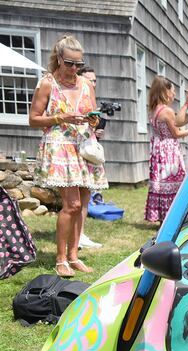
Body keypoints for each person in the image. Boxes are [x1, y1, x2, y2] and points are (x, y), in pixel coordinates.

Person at [29, 35, 106, 278]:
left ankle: (74, 256)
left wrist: (95, 121)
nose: (74, 69)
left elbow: (93, 114)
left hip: (83, 146)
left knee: (82, 204)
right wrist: (60, 118)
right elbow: (33, 119)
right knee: (70, 205)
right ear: (59, 59)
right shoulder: (47, 83)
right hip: (60, 145)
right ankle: (60, 258)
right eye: (69, 63)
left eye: (78, 64)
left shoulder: (86, 84)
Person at [145, 76, 188, 224]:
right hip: (169, 150)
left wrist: (186, 104)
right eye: (173, 91)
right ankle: (172, 217)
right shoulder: (167, 111)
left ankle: (161, 215)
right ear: (165, 91)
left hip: (159, 150)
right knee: (173, 182)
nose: (174, 94)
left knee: (161, 183)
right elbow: (176, 133)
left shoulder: (153, 109)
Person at [76, 65, 103, 249]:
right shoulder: (75, 97)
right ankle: (75, 237)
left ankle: (80, 234)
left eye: (94, 80)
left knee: (86, 193)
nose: (92, 83)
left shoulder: (90, 99)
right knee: (76, 198)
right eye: (89, 79)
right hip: (74, 150)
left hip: (88, 149)